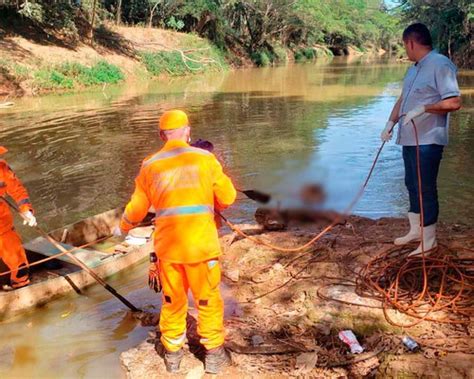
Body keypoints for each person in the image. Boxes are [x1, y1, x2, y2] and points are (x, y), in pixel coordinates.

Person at [117, 110, 236, 374]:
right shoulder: (206, 158)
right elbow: (228, 197)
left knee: (173, 300)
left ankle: (172, 355)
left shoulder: (149, 165)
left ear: (162, 135)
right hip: (202, 247)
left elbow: (136, 210)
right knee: (207, 299)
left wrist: (123, 226)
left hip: (168, 249)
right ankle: (214, 355)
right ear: (188, 131)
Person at [381, 23, 461, 256]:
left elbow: (454, 102)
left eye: (405, 46)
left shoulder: (440, 65)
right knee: (411, 184)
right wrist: (390, 123)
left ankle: (429, 240)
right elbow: (403, 99)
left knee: (425, 188)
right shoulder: (413, 69)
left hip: (428, 140)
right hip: (408, 139)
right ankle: (415, 231)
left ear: (411, 43)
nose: (405, 50)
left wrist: (424, 108)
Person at [0, 146, 37, 289]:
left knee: (19, 264)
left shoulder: (2, 168)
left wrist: (27, 211)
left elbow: (18, 191)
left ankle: (20, 284)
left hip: (3, 226)